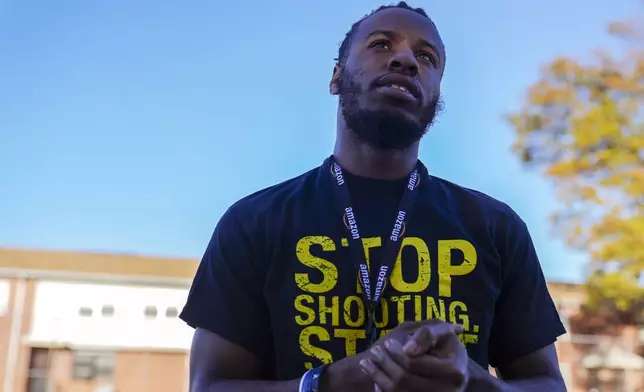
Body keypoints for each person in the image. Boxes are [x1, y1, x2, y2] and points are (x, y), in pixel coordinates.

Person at [179, 2, 568, 392]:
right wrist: (325, 383)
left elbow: (549, 384)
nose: (405, 59)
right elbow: (210, 385)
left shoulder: (495, 226)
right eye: (381, 45)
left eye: (426, 57)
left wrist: (475, 384)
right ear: (336, 77)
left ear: (437, 95)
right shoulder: (254, 221)